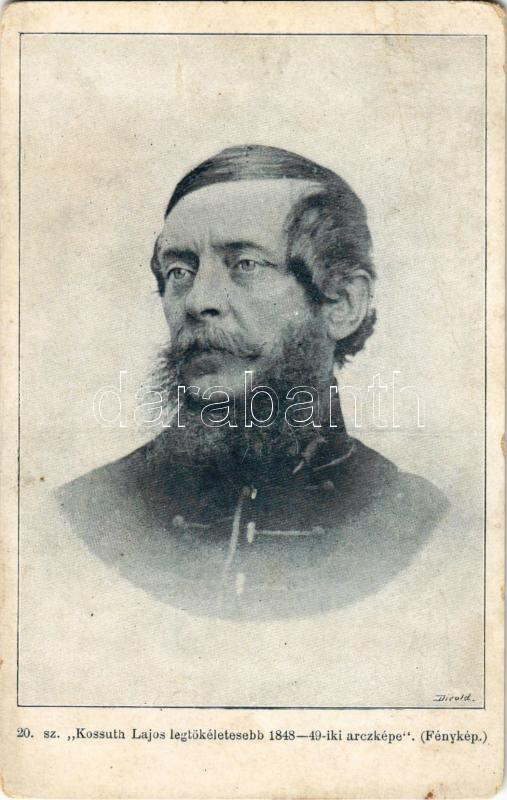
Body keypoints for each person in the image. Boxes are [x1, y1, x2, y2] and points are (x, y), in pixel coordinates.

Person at [57, 144, 449, 620]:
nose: (197, 301)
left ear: (342, 303)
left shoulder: (423, 526)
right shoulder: (85, 515)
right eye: (179, 271)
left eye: (245, 264)